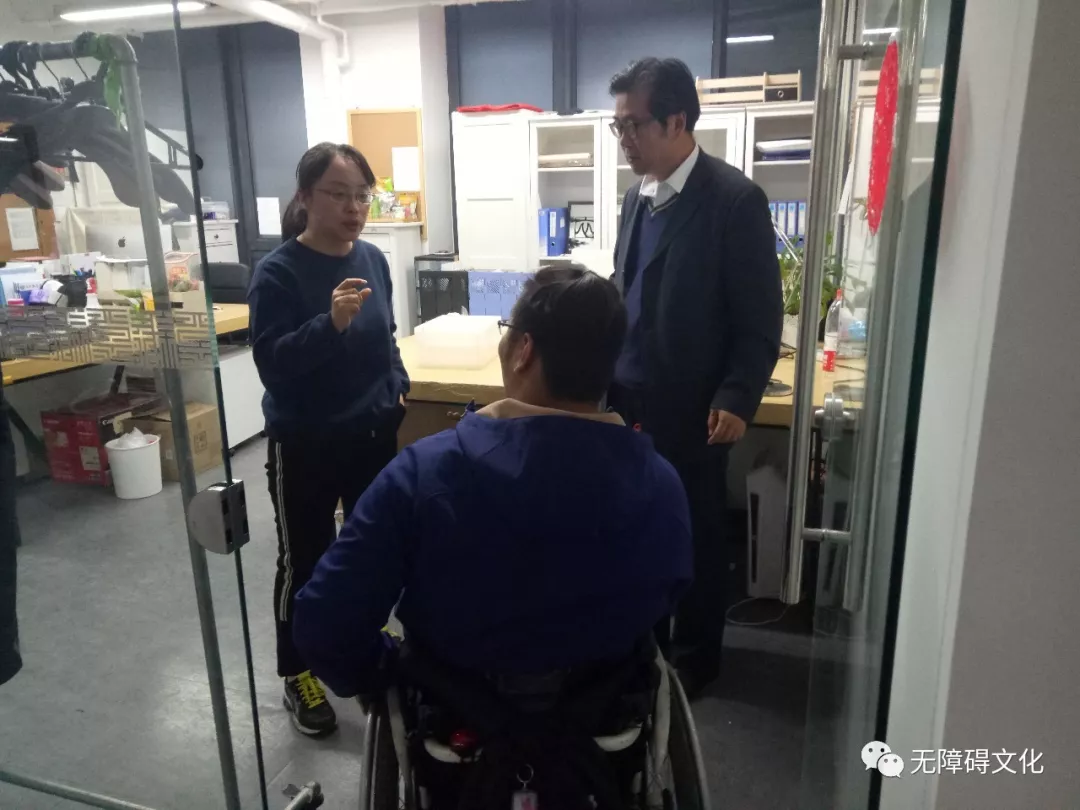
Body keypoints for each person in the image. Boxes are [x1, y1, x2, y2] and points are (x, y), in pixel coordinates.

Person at [292, 266, 692, 697]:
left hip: (453, 711)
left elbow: (325, 625)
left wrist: (390, 672)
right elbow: (666, 592)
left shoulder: (422, 475)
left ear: (523, 350)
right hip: (607, 711)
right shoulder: (661, 484)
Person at [607, 58, 783, 696]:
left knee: (696, 535)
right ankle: (645, 645)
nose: (624, 139)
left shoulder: (734, 200)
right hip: (628, 400)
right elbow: (625, 286)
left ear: (677, 121)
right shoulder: (637, 197)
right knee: (634, 529)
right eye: (618, 126)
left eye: (634, 125)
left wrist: (738, 394)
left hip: (694, 407)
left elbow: (760, 317)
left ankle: (696, 657)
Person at [248, 142, 409, 736]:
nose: (353, 208)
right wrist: (330, 325)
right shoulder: (278, 272)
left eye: (362, 195)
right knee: (306, 559)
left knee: (371, 554)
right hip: (306, 444)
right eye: (338, 194)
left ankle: (362, 651)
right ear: (305, 197)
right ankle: (297, 672)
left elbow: (387, 335)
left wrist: (397, 386)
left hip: (371, 436)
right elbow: (272, 365)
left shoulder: (372, 258)